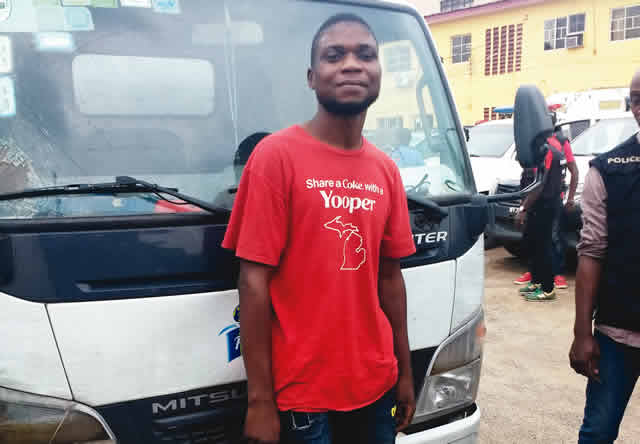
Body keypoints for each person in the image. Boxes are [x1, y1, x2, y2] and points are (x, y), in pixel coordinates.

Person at [222, 13, 417, 444]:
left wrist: (405, 372)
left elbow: (390, 278)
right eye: (334, 56)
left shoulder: (385, 170)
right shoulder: (275, 157)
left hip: (376, 383)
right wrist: (260, 401)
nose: (351, 65)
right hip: (302, 397)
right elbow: (252, 282)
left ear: (379, 73)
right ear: (311, 77)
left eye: (365, 55)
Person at [569, 70, 640, 444]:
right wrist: (582, 332)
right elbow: (591, 252)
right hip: (616, 335)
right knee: (597, 433)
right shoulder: (607, 169)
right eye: (637, 99)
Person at [514, 119, 579, 290]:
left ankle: (553, 278)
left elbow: (543, 182)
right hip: (535, 201)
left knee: (550, 240)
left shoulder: (556, 144)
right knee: (534, 240)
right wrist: (524, 204)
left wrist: (570, 198)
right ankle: (536, 278)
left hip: (548, 199)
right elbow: (529, 176)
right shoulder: (533, 144)